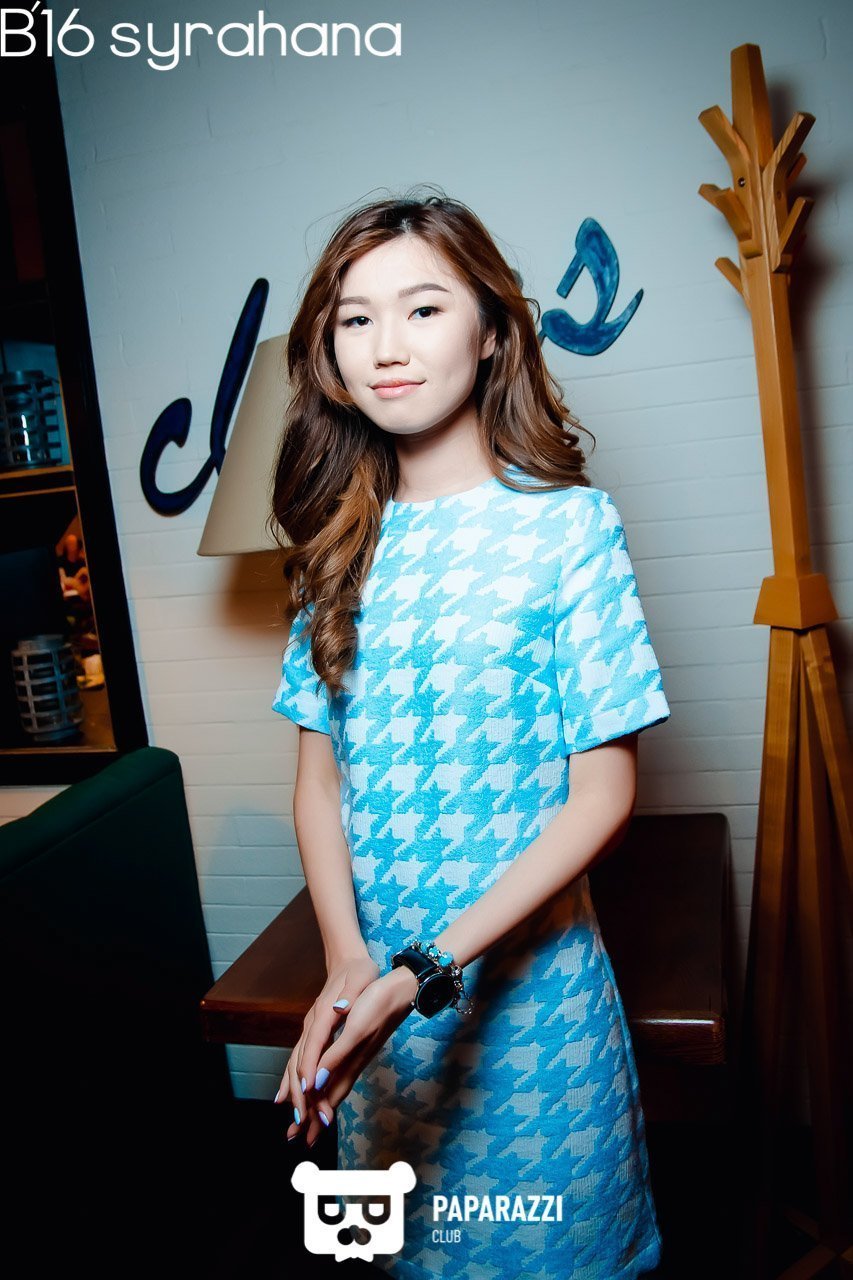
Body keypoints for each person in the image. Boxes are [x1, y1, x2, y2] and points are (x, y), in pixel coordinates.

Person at [268, 189, 671, 1279]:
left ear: (490, 331)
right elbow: (319, 784)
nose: (386, 347)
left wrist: (421, 970)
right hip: (378, 1028)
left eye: (423, 308)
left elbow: (602, 794)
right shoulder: (333, 544)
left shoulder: (568, 525)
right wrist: (349, 962)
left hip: (531, 1018)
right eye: (355, 318)